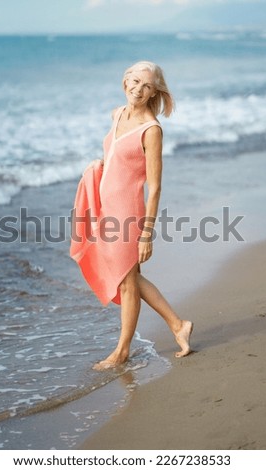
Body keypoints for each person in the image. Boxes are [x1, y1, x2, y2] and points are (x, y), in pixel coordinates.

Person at [70, 61, 193, 370]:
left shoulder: (151, 130)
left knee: (127, 283)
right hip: (106, 210)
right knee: (131, 279)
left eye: (146, 85)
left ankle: (122, 351)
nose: (138, 89)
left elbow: (155, 187)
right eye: (135, 81)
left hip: (128, 214)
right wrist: (98, 165)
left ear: (155, 92)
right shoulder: (117, 113)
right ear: (125, 80)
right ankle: (179, 325)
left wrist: (146, 234)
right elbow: (116, 157)